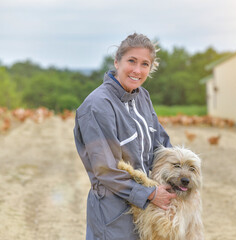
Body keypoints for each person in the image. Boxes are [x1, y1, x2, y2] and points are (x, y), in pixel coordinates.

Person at [73, 33, 177, 240]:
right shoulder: (98, 106)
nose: (137, 70)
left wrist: (178, 175)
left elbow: (162, 144)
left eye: (145, 64)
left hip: (148, 211)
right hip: (114, 214)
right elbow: (104, 169)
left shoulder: (143, 97)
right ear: (117, 61)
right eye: (131, 61)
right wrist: (149, 194)